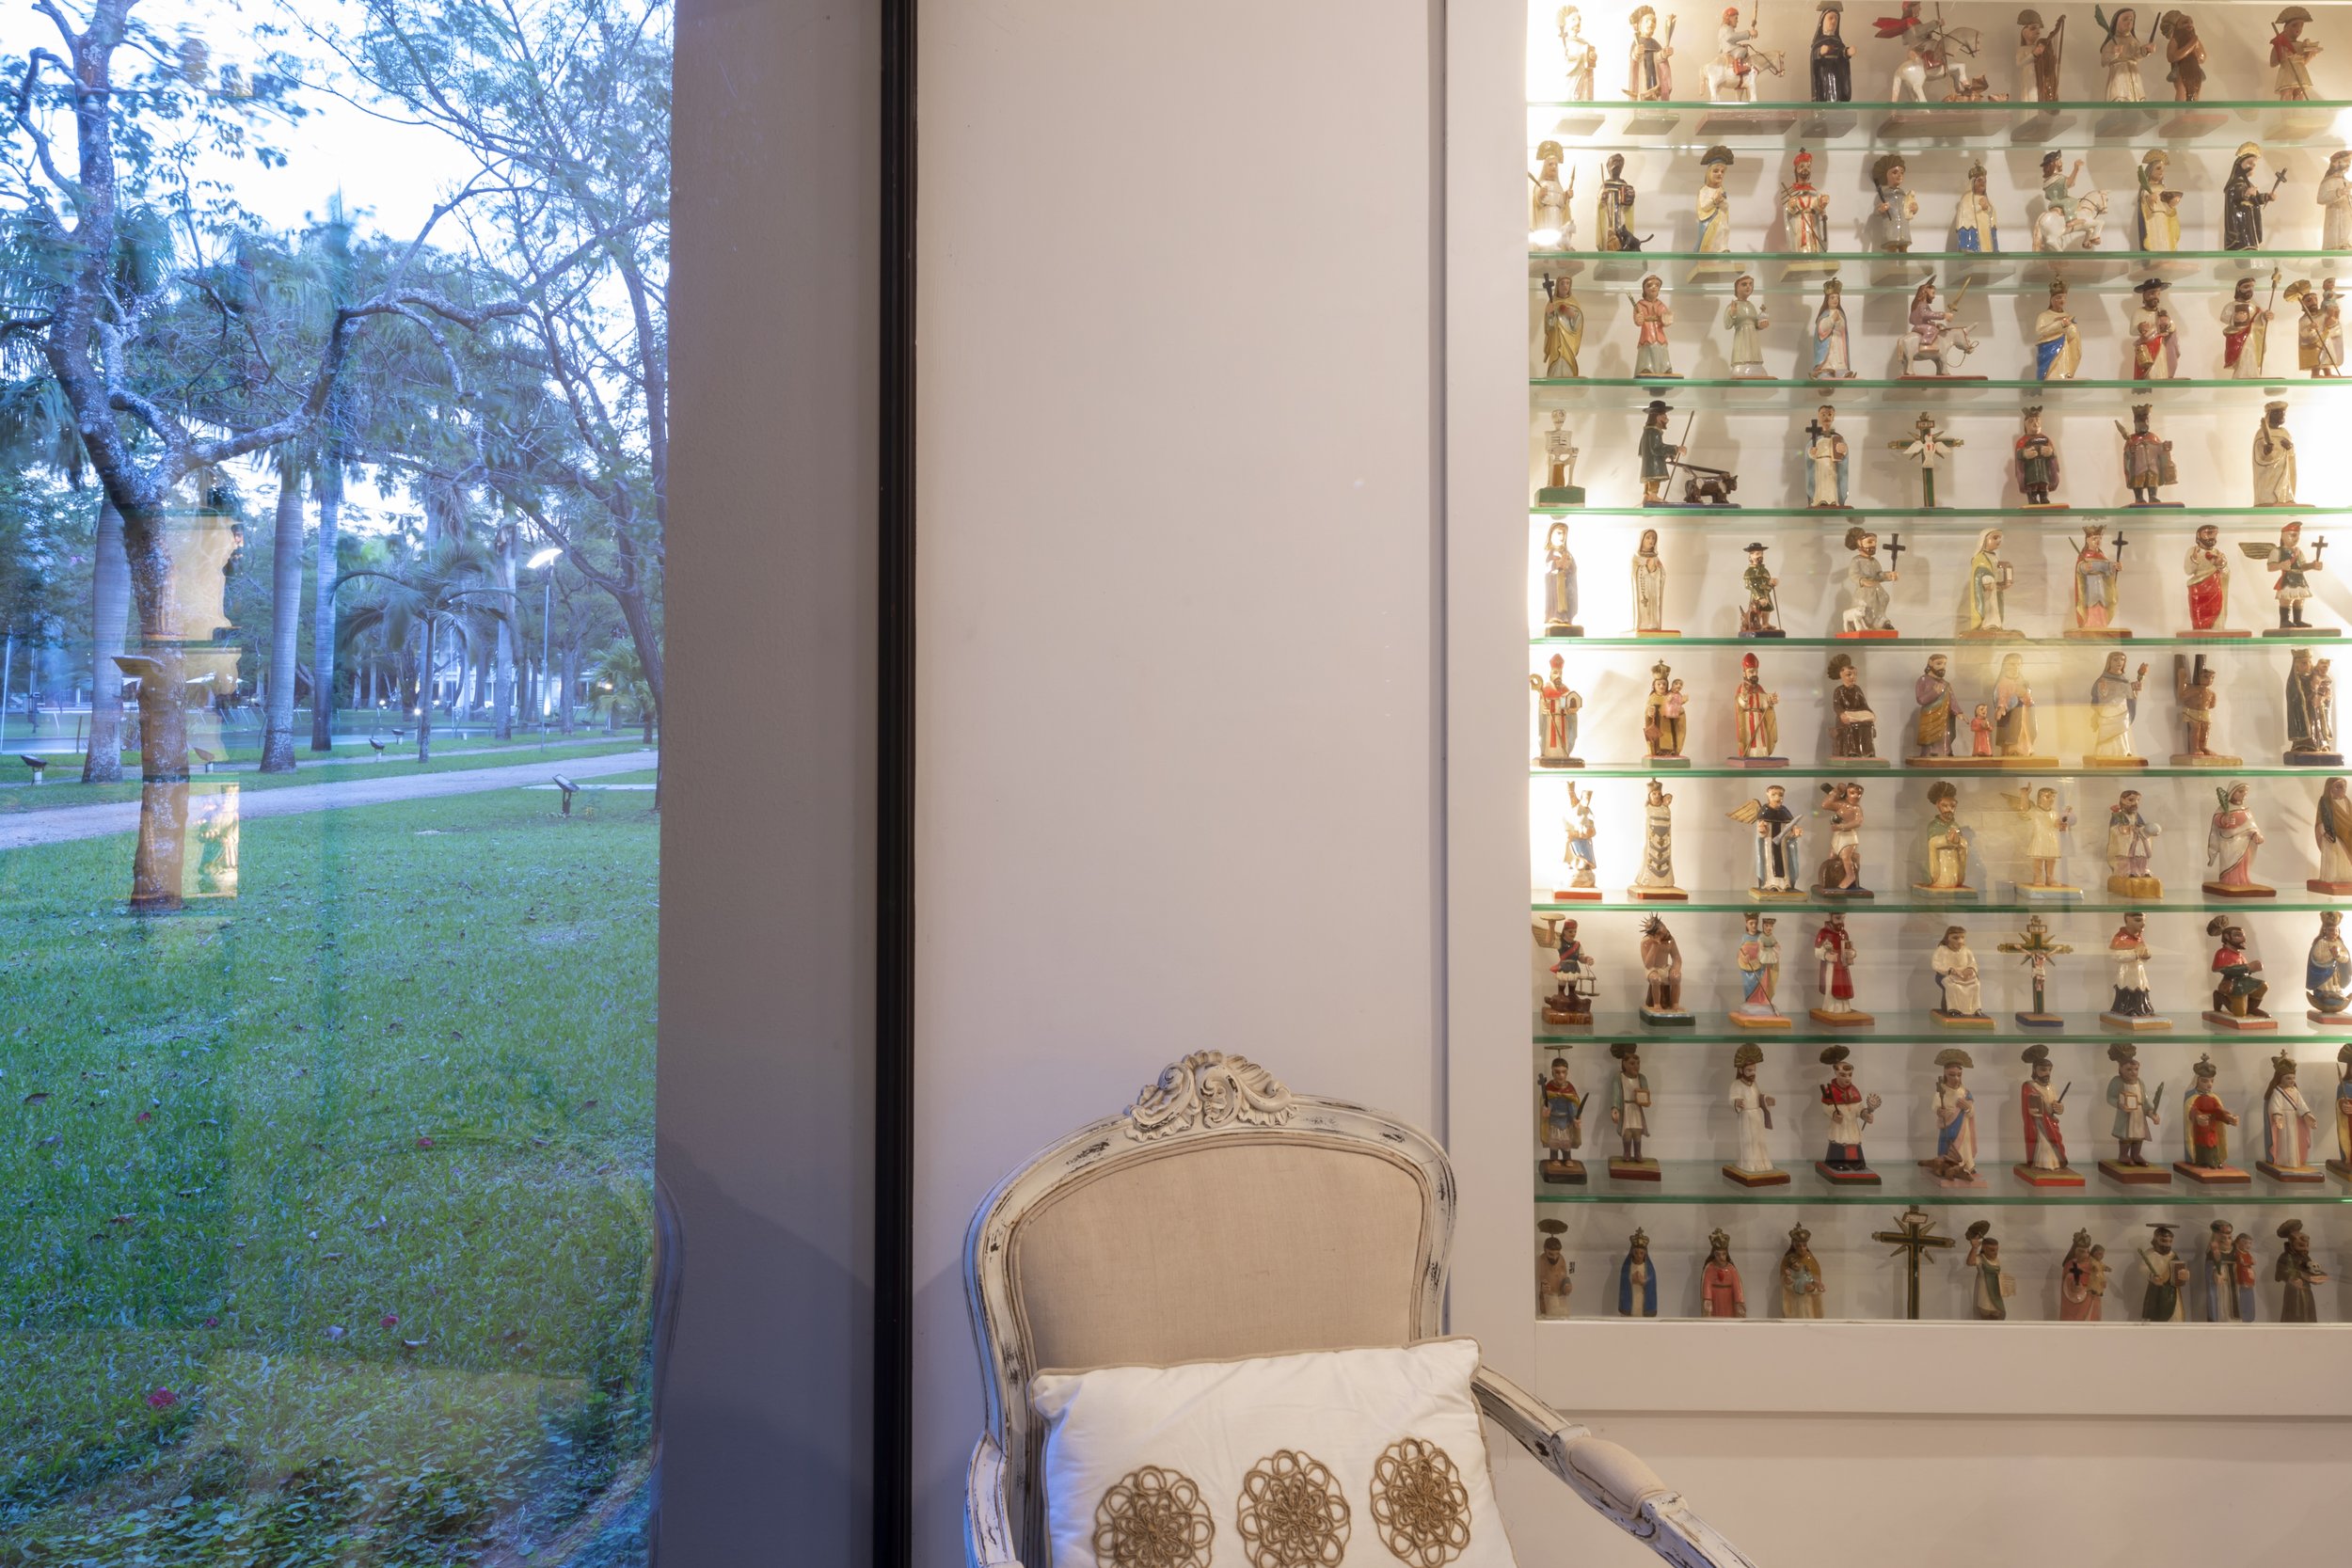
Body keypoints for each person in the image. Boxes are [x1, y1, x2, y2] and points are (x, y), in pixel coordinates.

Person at [2184, 1052, 2242, 1171]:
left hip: (2212, 1127)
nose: (2209, 1084)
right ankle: (2203, 1161)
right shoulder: (2193, 1098)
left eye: (2211, 1081)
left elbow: (2218, 1110)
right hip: (2200, 1128)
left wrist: (2228, 1117)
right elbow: (2191, 1109)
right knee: (2203, 1145)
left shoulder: (2214, 1098)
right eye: (2205, 1081)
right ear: (2197, 1081)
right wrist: (2198, 1117)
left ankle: (2216, 1161)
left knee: (2213, 1143)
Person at [2206, 782, 2267, 892]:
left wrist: (2256, 834)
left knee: (2243, 863)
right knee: (2229, 864)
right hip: (2229, 842)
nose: (2244, 794)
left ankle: (2242, 881)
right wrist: (2224, 820)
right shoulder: (2223, 809)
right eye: (2240, 791)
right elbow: (2216, 820)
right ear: (2232, 792)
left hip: (2244, 843)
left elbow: (2252, 826)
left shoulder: (2246, 809)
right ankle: (2229, 882)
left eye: (2245, 792)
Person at [2106, 1043, 2160, 1165]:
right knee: (2126, 1137)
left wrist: (2152, 1114)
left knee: (2139, 1136)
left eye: (2136, 1069)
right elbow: (2110, 1097)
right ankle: (2123, 1155)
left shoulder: (2140, 1083)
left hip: (2139, 1115)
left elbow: (2145, 1101)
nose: (2133, 1072)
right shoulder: (2117, 1082)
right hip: (2126, 1115)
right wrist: (2120, 1105)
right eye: (2129, 1069)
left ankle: (2136, 1155)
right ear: (2121, 1069)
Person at [2265, 1052, 2320, 1169]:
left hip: (2294, 1120)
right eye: (2288, 1078)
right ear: (2281, 1079)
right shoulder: (2277, 1091)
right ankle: (2284, 1160)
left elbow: (2301, 1105)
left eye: (2293, 1078)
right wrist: (2277, 1116)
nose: (2292, 1080)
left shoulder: (2295, 1090)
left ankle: (2294, 1160)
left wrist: (2308, 1115)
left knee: (2293, 1141)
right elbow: (2275, 1105)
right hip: (2284, 1120)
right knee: (2285, 1141)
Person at [1929, 1048, 1979, 1179]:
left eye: (1959, 1075)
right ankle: (1946, 1166)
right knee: (1946, 1145)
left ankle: (1965, 1165)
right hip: (1947, 1125)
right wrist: (1940, 1111)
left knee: (1964, 1146)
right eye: (1952, 1074)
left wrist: (1968, 1107)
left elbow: (1971, 1113)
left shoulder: (1965, 1092)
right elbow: (1935, 1106)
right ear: (1945, 1074)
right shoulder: (1941, 1090)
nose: (1956, 1078)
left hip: (1963, 1127)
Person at [1728, 1043, 1776, 1175]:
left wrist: (1766, 1099)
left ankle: (1762, 1163)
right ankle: (1748, 1165)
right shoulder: (1736, 1084)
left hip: (1757, 1116)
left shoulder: (1754, 1084)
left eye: (1754, 1070)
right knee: (1748, 1141)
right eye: (1749, 1070)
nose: (1752, 1073)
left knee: (1759, 1140)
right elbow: (1731, 1099)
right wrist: (1736, 1102)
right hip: (1745, 1117)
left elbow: (1758, 1097)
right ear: (1740, 1070)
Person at [2020, 1042, 2069, 1173]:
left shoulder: (2051, 1086)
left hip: (2051, 1122)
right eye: (2043, 1070)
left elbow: (2055, 1103)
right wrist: (2032, 1111)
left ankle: (2055, 1164)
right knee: (2044, 1147)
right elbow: (2026, 1106)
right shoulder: (2028, 1086)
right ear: (2035, 1070)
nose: (2047, 1073)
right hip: (2037, 1124)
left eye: (2049, 1070)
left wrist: (2059, 1108)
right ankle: (2043, 1165)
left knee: (2054, 1142)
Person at [2089, 654, 2147, 762]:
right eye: (2116, 660)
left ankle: (2123, 752)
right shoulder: (2103, 679)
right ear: (2109, 662)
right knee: (2107, 733)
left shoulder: (2124, 679)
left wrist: (2135, 687)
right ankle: (2104, 754)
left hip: (2122, 710)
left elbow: (2128, 693)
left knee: (2121, 733)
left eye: (2122, 660)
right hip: (2108, 711)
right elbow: (2103, 694)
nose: (2119, 662)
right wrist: (2129, 687)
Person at [2118, 404, 2173, 504]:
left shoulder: (2153, 437)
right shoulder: (2132, 439)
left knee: (2152, 480)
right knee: (2138, 481)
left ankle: (2152, 496)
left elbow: (2160, 449)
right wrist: (2131, 451)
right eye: (2141, 421)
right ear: (2135, 423)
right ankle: (2139, 498)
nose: (2145, 423)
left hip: (2153, 467)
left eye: (2146, 421)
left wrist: (2164, 447)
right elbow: (2127, 454)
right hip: (2139, 467)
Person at [2106, 796, 2159, 895]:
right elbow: (2115, 830)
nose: (2135, 803)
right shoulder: (2118, 816)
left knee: (2142, 851)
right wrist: (2128, 829)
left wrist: (2144, 829)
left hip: (2138, 838)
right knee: (2129, 855)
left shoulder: (2136, 815)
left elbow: (2141, 825)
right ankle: (2129, 871)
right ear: (2122, 801)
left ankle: (2143, 870)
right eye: (2131, 800)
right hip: (2126, 840)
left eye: (2138, 800)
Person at [2224, 142, 2272, 251]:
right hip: (2239, 224)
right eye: (2249, 163)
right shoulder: (2234, 183)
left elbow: (2256, 199)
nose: (2252, 167)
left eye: (2254, 165)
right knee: (2242, 251)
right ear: (2239, 164)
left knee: (2251, 249)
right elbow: (2233, 194)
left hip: (2250, 222)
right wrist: (2245, 193)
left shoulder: (2249, 185)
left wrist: (2267, 197)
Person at [2221, 277, 2273, 378]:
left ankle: (2253, 375)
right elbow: (2223, 317)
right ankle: (2240, 376)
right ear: (2238, 289)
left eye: (2252, 287)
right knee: (2242, 356)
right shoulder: (2231, 305)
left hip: (2251, 337)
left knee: (2250, 355)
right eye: (2246, 287)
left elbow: (2257, 320)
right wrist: (2235, 318)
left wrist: (2265, 316)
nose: (2250, 289)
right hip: (2237, 338)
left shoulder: (2253, 307)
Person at [2276, 1220, 2327, 1323]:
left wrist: (2318, 1275)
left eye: (2307, 1246)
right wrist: (2294, 1277)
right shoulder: (2285, 1257)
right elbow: (2283, 1271)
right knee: (2295, 1313)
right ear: (2291, 1244)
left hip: (2306, 1290)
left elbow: (2312, 1270)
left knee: (2308, 1312)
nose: (2305, 1249)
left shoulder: (2305, 1257)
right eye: (2301, 1245)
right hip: (2294, 1291)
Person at [1827, 656, 1876, 759]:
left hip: (1857, 716)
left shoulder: (1857, 689)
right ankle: (1852, 751)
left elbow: (1864, 704)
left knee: (1868, 724)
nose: (1853, 677)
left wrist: (1870, 713)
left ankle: (1868, 751)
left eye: (1855, 674)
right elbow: (1836, 705)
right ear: (1842, 676)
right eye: (1849, 675)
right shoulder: (1838, 691)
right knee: (1851, 725)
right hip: (1845, 718)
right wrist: (1842, 714)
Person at [2183, 524, 2230, 632]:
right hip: (2198, 591)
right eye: (2208, 534)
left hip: (2215, 590)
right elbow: (2188, 571)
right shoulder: (2193, 551)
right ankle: (2199, 640)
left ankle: (2215, 636)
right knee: (2198, 621)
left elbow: (2226, 573)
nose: (2211, 537)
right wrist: (2194, 559)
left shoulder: (2219, 554)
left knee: (2216, 619)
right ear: (2198, 535)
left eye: (2214, 534)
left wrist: (2221, 564)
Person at [2099, 6, 2153, 99]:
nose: (2129, 22)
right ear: (2116, 22)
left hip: (2134, 74)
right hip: (2118, 76)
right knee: (2120, 98)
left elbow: (2137, 55)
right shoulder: (2112, 42)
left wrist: (2146, 50)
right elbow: (2103, 61)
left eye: (2131, 20)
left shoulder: (2133, 41)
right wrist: (2114, 52)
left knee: (2136, 99)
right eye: (2125, 19)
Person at [2137, 1224, 2188, 1322]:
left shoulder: (2173, 1255)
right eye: (2164, 1241)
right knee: (2156, 1318)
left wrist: (2185, 1274)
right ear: (2156, 1239)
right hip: (2156, 1292)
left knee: (2175, 1317)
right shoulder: (2150, 1254)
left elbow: (2180, 1269)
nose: (2167, 1245)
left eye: (2170, 1241)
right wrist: (2152, 1277)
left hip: (2172, 1292)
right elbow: (2143, 1269)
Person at [1724, 274, 1770, 377]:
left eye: (1750, 284)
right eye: (1744, 284)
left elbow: (1754, 322)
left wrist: (1760, 325)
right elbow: (1727, 325)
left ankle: (1754, 366)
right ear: (1737, 288)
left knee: (1753, 352)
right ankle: (1742, 366)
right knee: (1742, 353)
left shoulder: (1751, 305)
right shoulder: (1733, 305)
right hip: (1742, 334)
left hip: (1752, 335)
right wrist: (1732, 314)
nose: (1748, 287)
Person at [1931, 925, 1983, 1016]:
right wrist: (1950, 971)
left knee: (1976, 985)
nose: (1960, 941)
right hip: (1947, 975)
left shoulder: (1966, 950)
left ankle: (1975, 1009)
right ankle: (1954, 1009)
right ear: (1947, 938)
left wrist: (1970, 969)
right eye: (1955, 938)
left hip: (1964, 976)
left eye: (1962, 937)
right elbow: (1936, 964)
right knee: (1953, 987)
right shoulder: (1942, 950)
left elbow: (1973, 963)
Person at [2034, 279, 2081, 380]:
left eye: (2064, 298)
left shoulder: (2067, 316)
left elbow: (2073, 336)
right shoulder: (2044, 316)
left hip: (2066, 351)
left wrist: (2071, 328)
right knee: (2053, 370)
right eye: (2059, 298)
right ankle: (2051, 375)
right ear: (2052, 299)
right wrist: (2060, 324)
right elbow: (2040, 331)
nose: (2062, 301)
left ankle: (2066, 374)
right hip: (2049, 349)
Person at [1964, 1223, 2014, 1319]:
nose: (1995, 1253)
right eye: (1992, 1250)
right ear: (1984, 1249)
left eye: (1996, 1250)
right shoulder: (1981, 1259)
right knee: (1985, 1316)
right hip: (1985, 1296)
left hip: (1996, 1294)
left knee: (1999, 1315)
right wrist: (1974, 1248)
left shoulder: (1997, 1260)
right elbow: (1970, 1262)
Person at [1813, 911, 1861, 1010]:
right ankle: (1831, 1008)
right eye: (1838, 918)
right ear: (1830, 917)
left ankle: (1844, 1008)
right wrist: (1826, 955)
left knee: (1843, 986)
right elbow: (1817, 951)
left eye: (1843, 918)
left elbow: (1847, 947)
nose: (1841, 921)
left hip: (1842, 965)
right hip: (1831, 966)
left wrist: (1851, 953)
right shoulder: (1823, 932)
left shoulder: (1844, 933)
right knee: (1831, 986)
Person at [2273, 6, 2321, 100]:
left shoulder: (2301, 45)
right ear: (2286, 28)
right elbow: (2273, 63)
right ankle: (2286, 114)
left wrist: (2309, 55)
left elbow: (2303, 62)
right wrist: (2283, 57)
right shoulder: (2280, 44)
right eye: (2294, 25)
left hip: (2300, 73)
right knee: (2287, 94)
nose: (2298, 28)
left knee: (2299, 94)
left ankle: (2297, 114)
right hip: (2286, 74)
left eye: (2301, 25)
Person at [1993, 653, 2035, 757]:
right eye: (2012, 664)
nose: (2015, 667)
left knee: (2023, 730)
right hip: (2011, 712)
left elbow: (2027, 695)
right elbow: (2001, 697)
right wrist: (2001, 708)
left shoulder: (2023, 681)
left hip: (2023, 711)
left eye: (2018, 664)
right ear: (2005, 666)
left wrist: (2028, 699)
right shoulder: (2003, 682)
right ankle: (2012, 750)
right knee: (2012, 731)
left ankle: (2025, 749)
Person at [1804, 405, 1848, 507]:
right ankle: (1820, 500)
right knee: (1821, 482)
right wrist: (1812, 453)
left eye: (1829, 414)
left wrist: (1844, 450)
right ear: (1819, 417)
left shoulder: (1837, 437)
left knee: (1831, 482)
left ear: (1833, 417)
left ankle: (1832, 500)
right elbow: (1809, 452)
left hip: (1832, 464)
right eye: (1823, 414)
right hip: (1819, 464)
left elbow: (1844, 453)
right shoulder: (1815, 437)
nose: (1826, 417)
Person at [1628, 5, 1675, 99]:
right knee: (1642, 95)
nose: (1651, 23)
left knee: (1655, 96)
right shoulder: (1636, 42)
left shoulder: (1655, 44)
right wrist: (1636, 53)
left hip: (1655, 81)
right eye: (1647, 21)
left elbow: (1658, 59)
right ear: (1639, 25)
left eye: (1654, 21)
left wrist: (1663, 54)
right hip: (1642, 80)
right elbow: (1634, 60)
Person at [1914, 653, 1955, 757]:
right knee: (1930, 737)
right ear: (1930, 663)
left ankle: (1945, 751)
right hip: (1930, 717)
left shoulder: (1946, 684)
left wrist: (1958, 712)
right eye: (1939, 663)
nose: (1943, 667)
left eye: (1945, 664)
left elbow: (1952, 700)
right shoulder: (1923, 680)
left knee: (1944, 735)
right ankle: (1930, 752)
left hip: (1944, 718)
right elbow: (1921, 699)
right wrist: (1934, 692)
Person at [1780, 1223, 1826, 1317]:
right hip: (1794, 1299)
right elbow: (1783, 1280)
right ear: (1794, 1246)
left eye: (1804, 1245)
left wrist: (1813, 1288)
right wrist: (1789, 1282)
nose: (1802, 1249)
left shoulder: (1810, 1260)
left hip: (1807, 1300)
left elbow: (1817, 1280)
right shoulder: (1788, 1260)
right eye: (1798, 1246)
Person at [1811, 277, 1853, 379]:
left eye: (1837, 298)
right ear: (1827, 300)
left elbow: (1842, 329)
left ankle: (1841, 371)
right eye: (1832, 297)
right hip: (1826, 346)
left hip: (1838, 342)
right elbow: (1821, 329)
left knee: (1838, 359)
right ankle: (1826, 370)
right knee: (1829, 360)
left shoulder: (1841, 314)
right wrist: (1831, 320)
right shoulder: (1824, 314)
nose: (1835, 300)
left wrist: (1838, 321)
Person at [2137, 150, 2180, 250]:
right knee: (2156, 242)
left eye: (2163, 169)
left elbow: (2167, 210)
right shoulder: (2145, 190)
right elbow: (2144, 213)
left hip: (2164, 222)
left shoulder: (2163, 189)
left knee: (2166, 242)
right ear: (2150, 170)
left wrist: (2171, 206)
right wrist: (2150, 202)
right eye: (2158, 168)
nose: (2161, 171)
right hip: (2152, 222)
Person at [1810, 1, 1853, 101]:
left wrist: (1847, 52)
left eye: (1836, 19)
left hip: (1837, 73)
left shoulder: (1838, 41)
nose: (1833, 21)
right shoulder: (1818, 42)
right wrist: (1820, 51)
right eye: (1830, 18)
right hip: (1823, 74)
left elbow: (1841, 53)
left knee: (1837, 92)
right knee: (1826, 94)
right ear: (1822, 21)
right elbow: (1814, 55)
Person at [2059, 1231, 2106, 1322]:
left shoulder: (2093, 1263)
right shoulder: (2070, 1265)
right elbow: (2069, 1280)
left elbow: (2099, 1274)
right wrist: (2075, 1285)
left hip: (2092, 1299)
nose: (2086, 1254)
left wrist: (2101, 1281)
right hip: (2077, 1304)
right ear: (2075, 1251)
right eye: (2081, 1251)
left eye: (2087, 1251)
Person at [1598, 152, 1641, 252]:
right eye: (1614, 161)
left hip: (1620, 221)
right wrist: (1602, 198)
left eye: (1620, 162)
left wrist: (1630, 199)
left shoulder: (1624, 186)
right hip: (1608, 224)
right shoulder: (1605, 185)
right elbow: (1600, 205)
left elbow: (1628, 207)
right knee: (1607, 241)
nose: (1617, 164)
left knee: (1623, 239)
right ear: (1608, 166)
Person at [2017, 9, 2063, 101]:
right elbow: (2019, 64)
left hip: (2038, 81)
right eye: (2033, 28)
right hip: (2028, 80)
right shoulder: (2022, 49)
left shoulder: (2039, 46)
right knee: (2029, 102)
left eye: (2038, 28)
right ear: (2024, 32)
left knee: (2037, 99)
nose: (2037, 31)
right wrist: (2033, 54)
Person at [1953, 161, 1998, 252]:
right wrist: (1979, 207)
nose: (1983, 183)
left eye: (1984, 181)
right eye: (1979, 180)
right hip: (1973, 238)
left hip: (1987, 241)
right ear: (1972, 183)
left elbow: (1992, 217)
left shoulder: (1987, 200)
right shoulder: (1966, 201)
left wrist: (1988, 208)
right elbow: (1965, 220)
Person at [1700, 1229, 1746, 1318]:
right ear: (1714, 1254)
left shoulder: (1731, 1269)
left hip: (1728, 1300)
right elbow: (1707, 1284)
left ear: (1727, 1254)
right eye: (1718, 1255)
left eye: (1723, 1254)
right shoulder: (1710, 1268)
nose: (1721, 1257)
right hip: (1715, 1299)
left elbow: (1737, 1287)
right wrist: (1707, 1299)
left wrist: (1739, 1301)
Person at [1696, 147, 1735, 251]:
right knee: (1711, 242)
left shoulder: (1721, 190)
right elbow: (1704, 206)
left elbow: (1726, 207)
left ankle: (1723, 251)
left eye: (1722, 172)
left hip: (1721, 221)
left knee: (1723, 231)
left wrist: (1722, 202)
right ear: (1709, 172)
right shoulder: (1704, 190)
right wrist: (1714, 201)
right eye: (1716, 171)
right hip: (1709, 223)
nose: (1720, 174)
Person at [1632, 527, 1670, 631]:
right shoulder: (1636, 557)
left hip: (1653, 591)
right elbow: (1634, 574)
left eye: (1653, 538)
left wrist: (1654, 570)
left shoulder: (1655, 557)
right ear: (1642, 540)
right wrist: (1645, 568)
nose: (1651, 540)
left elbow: (1663, 574)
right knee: (1643, 610)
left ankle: (1654, 625)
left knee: (1653, 609)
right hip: (1642, 592)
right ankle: (1642, 625)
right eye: (1648, 538)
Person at [1557, 5, 1598, 99]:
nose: (1578, 22)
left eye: (1579, 19)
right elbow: (1564, 63)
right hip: (1573, 83)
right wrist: (1581, 54)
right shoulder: (1564, 44)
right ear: (1564, 25)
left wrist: (1592, 57)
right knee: (1573, 100)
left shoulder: (1584, 42)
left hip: (1585, 80)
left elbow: (1589, 60)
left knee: (1585, 98)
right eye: (1573, 19)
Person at [2317, 777, 2352, 885]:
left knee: (2345, 860)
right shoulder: (2325, 801)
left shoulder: (2346, 801)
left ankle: (2345, 878)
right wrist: (2323, 831)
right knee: (2334, 859)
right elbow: (2320, 820)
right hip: (2332, 836)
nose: (2343, 789)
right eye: (2339, 787)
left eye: (2344, 787)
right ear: (2330, 789)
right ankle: (2332, 879)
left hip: (2346, 834)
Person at [1616, 1228, 1658, 1318]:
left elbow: (1652, 1283)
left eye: (1641, 1253)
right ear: (1632, 1252)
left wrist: (1644, 1282)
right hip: (1631, 1299)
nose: (1638, 1255)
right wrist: (1631, 1279)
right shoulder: (1627, 1266)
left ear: (1645, 1254)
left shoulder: (1649, 1268)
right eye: (1636, 1252)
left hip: (1643, 1300)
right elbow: (1624, 1281)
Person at [2205, 1221, 2241, 1322]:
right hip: (2222, 1287)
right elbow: (2209, 1269)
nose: (2226, 1241)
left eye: (2229, 1238)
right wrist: (2214, 1272)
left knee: (2236, 1303)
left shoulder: (2236, 1251)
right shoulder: (2212, 1253)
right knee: (2223, 1305)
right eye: (2222, 1240)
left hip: (2235, 1285)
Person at [1537, 1231, 1573, 1318]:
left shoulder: (1562, 1259)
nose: (1555, 1257)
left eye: (1557, 1253)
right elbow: (1538, 1279)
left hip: (1560, 1295)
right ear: (1545, 1250)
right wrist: (1542, 1286)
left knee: (1563, 1314)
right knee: (1551, 1315)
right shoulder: (1541, 1260)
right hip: (1548, 1297)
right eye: (1551, 1254)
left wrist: (1567, 1285)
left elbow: (1564, 1276)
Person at [2321, 150, 2352, 252]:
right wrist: (2339, 192)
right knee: (2334, 245)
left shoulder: (2346, 182)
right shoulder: (2329, 181)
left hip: (2346, 218)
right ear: (2336, 163)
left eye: (2349, 161)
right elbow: (2321, 198)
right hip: (2335, 218)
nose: (2349, 164)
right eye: (2346, 161)